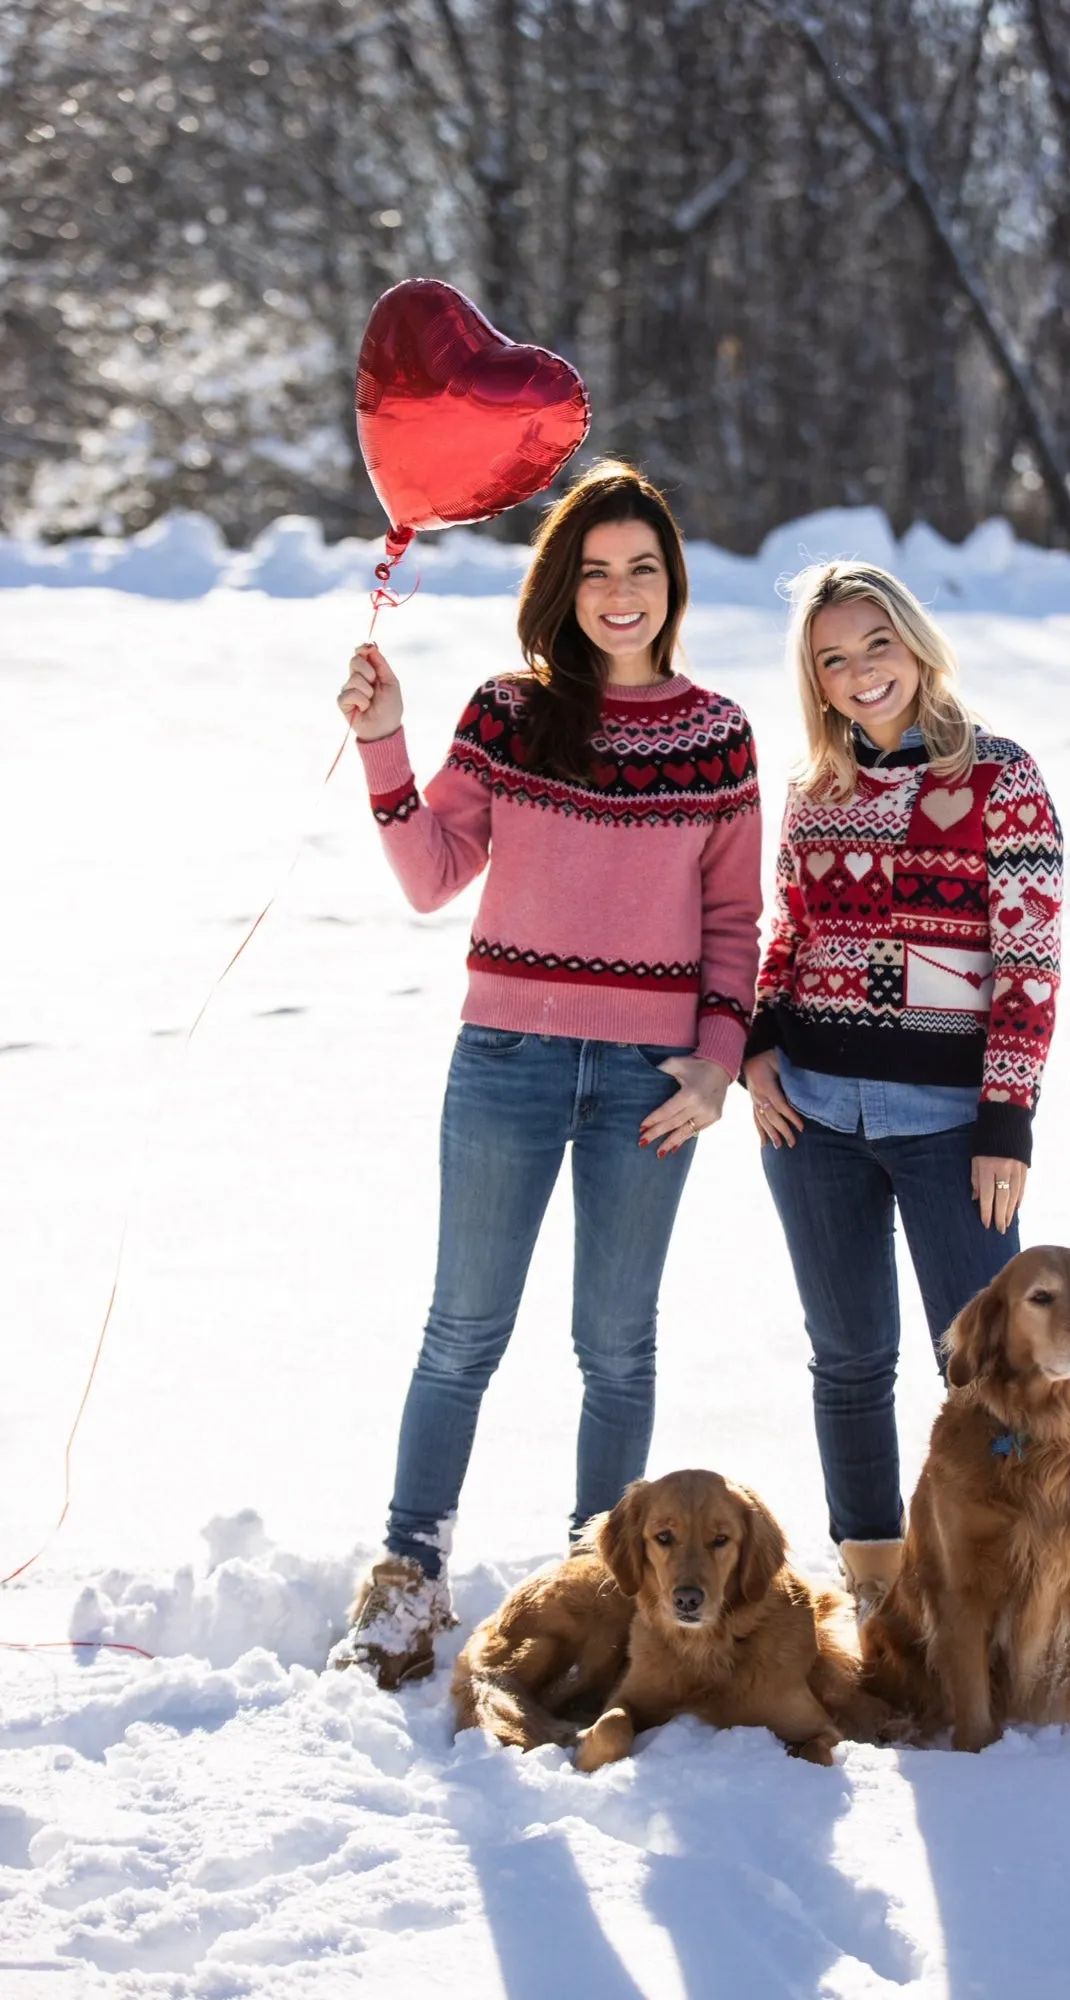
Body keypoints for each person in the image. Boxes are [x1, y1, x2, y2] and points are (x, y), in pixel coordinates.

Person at [333, 461, 762, 1688]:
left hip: (649, 1080)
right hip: (506, 1063)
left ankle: (599, 1587)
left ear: (670, 583)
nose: (619, 593)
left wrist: (717, 1064)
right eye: (594, 570)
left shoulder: (716, 734)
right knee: (460, 1331)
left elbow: (735, 921)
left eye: (641, 567)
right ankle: (409, 1580)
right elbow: (431, 874)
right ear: (561, 588)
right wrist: (382, 745)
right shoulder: (510, 714)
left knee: (615, 1345)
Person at [743, 560, 1062, 1617]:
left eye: (874, 643)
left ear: (915, 642)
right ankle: (876, 1587)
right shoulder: (813, 792)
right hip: (813, 1115)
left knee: (989, 1370)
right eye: (831, 658)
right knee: (846, 1359)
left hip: (948, 1128)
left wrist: (1005, 1121)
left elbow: (1027, 961)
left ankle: (1013, 1581)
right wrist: (756, 1046)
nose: (858, 671)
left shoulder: (999, 778)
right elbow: (787, 935)